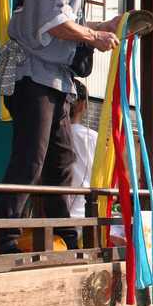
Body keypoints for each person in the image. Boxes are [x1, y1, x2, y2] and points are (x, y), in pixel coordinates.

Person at [0, 0, 124, 254]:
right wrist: (92, 37)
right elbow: (54, 23)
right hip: (35, 75)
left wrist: (102, 28)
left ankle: (64, 235)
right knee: (30, 158)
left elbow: (62, 23)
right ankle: (4, 235)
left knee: (61, 161)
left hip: (55, 81)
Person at [67, 79, 96, 222]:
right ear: (83, 105)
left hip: (55, 212)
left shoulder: (50, 136)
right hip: (88, 210)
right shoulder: (94, 137)